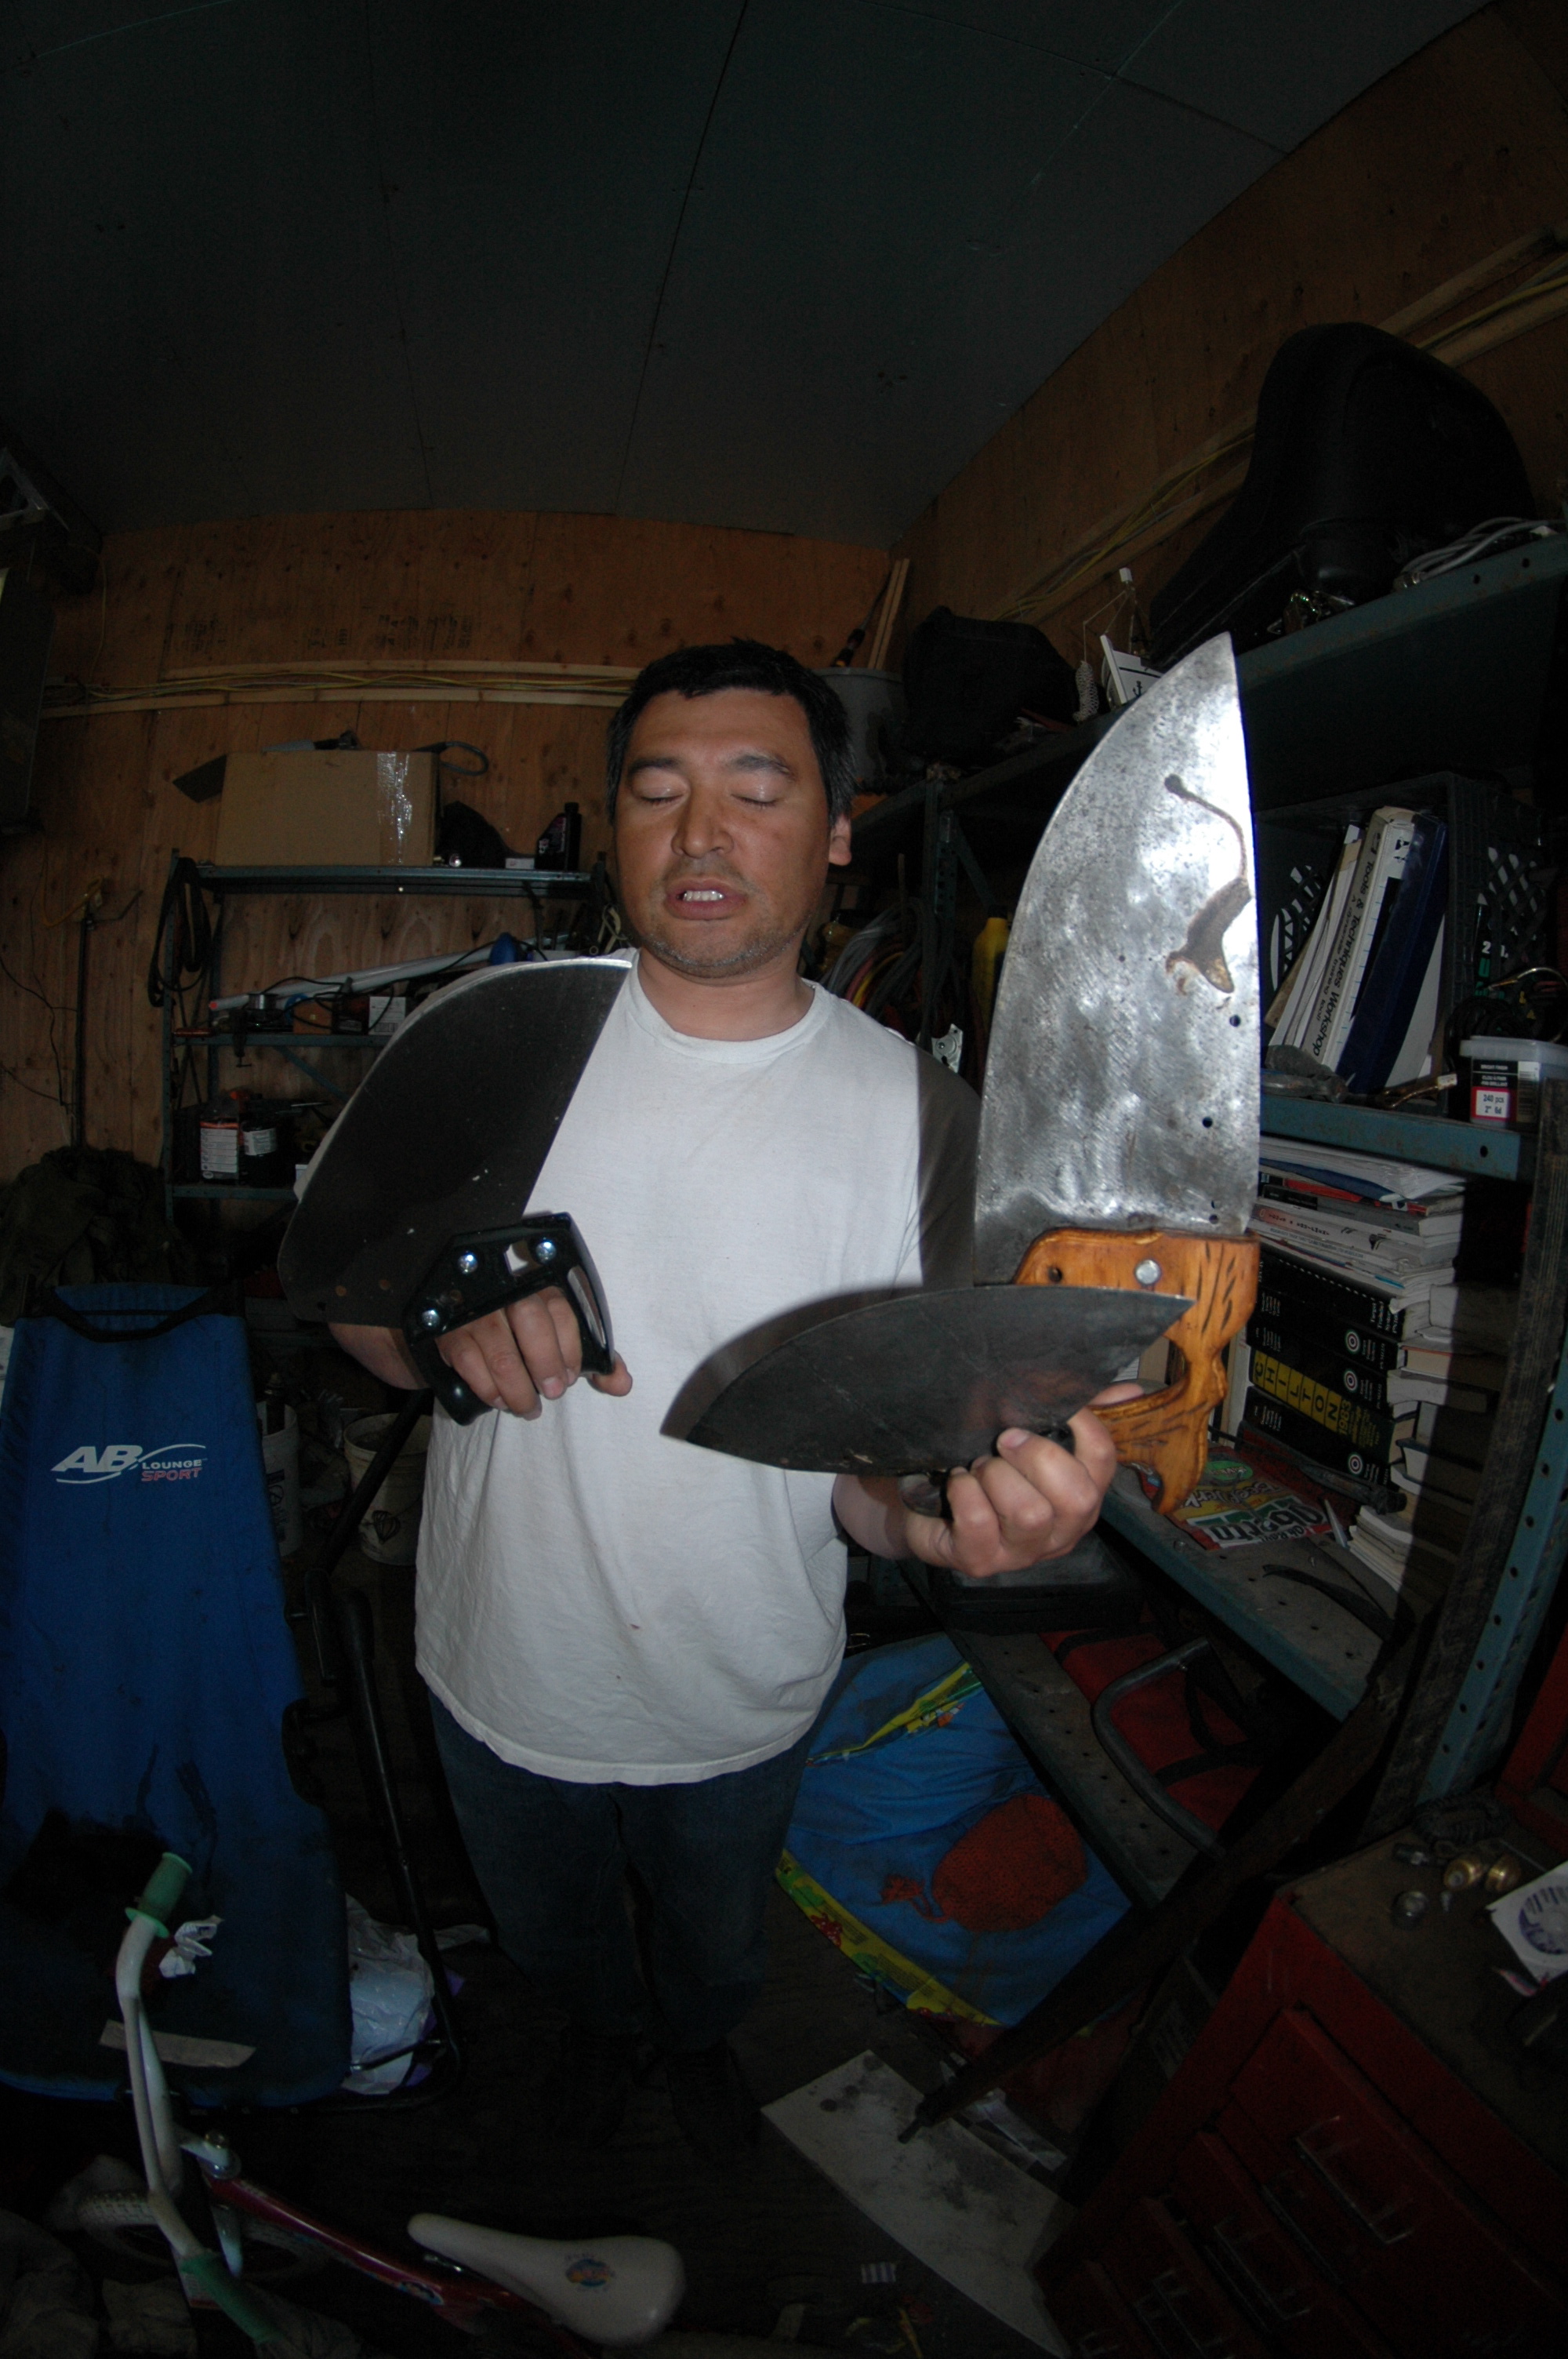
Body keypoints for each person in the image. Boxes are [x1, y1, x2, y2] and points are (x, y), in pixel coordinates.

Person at [331, 641, 1128, 2162]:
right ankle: (594, 2043)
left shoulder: (926, 1124)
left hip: (742, 1690)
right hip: (498, 1666)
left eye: (758, 792)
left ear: (839, 830)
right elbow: (356, 1317)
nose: (702, 834)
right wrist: (440, 1329)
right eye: (659, 793)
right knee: (554, 1940)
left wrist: (940, 1518)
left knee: (716, 1945)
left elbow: (869, 1472)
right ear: (617, 827)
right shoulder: (490, 1050)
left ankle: (695, 2049)